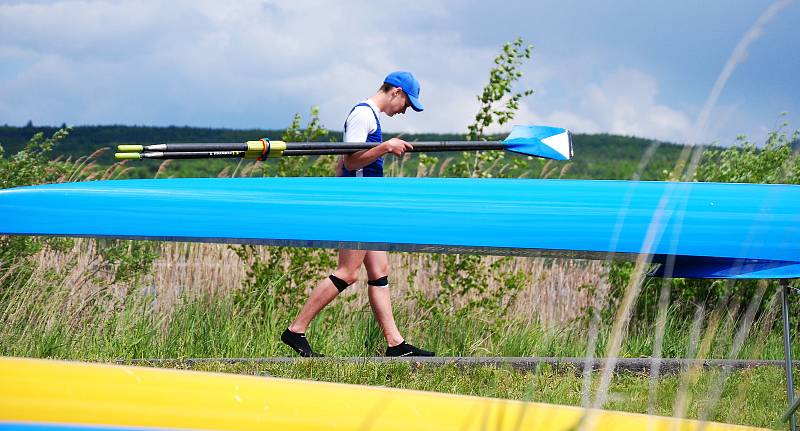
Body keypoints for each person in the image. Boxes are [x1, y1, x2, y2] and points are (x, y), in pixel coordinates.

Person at [281, 71, 435, 357]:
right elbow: (351, 161)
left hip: (365, 204)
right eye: (407, 104)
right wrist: (386, 147)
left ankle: (395, 345)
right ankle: (295, 330)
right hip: (358, 206)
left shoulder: (370, 117)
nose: (404, 111)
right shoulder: (362, 115)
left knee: (380, 271)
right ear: (396, 92)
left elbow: (342, 164)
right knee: (348, 273)